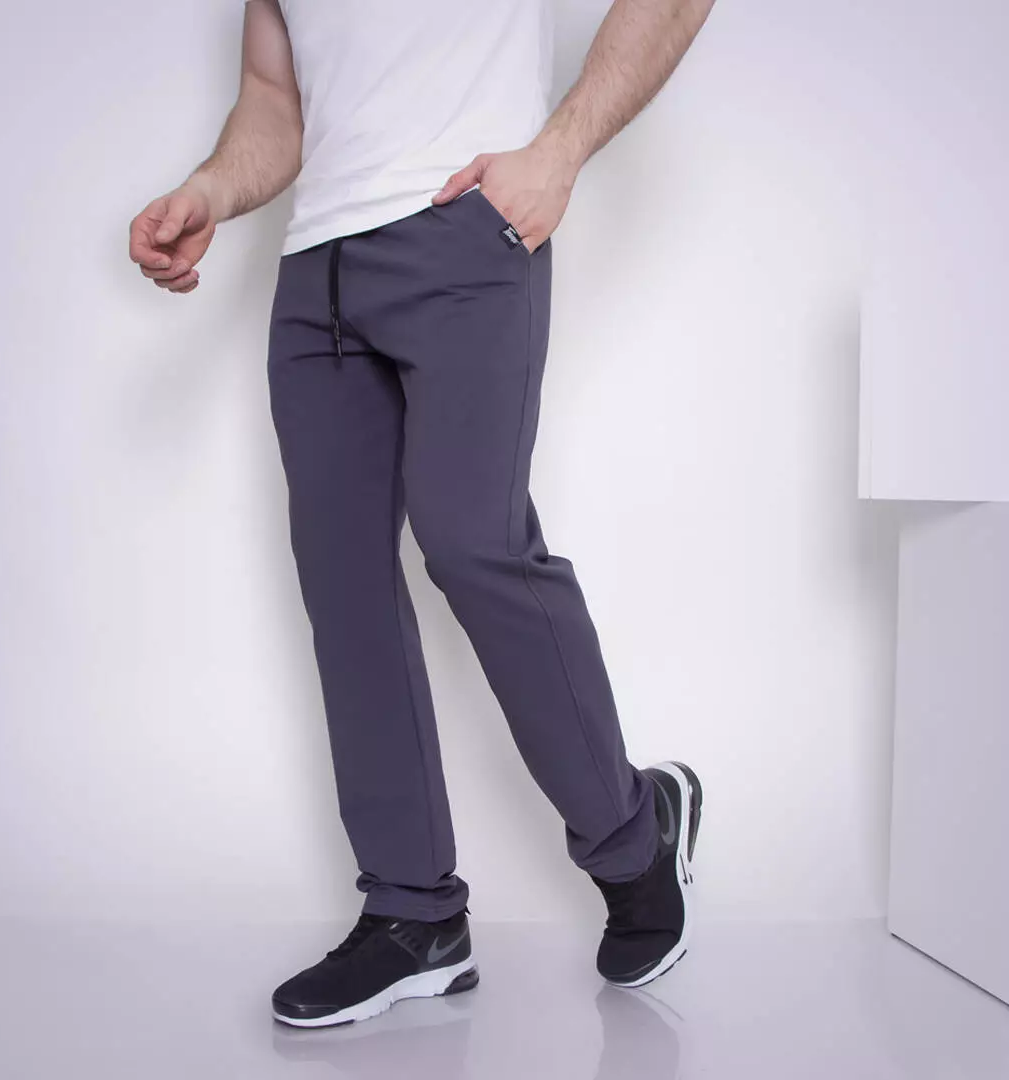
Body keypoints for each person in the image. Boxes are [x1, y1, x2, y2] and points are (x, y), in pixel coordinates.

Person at [129, 0, 714, 1028]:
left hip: (465, 228)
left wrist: (559, 152)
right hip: (317, 273)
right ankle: (414, 915)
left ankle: (634, 840)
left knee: (474, 543)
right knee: (344, 588)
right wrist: (210, 189)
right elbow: (273, 99)